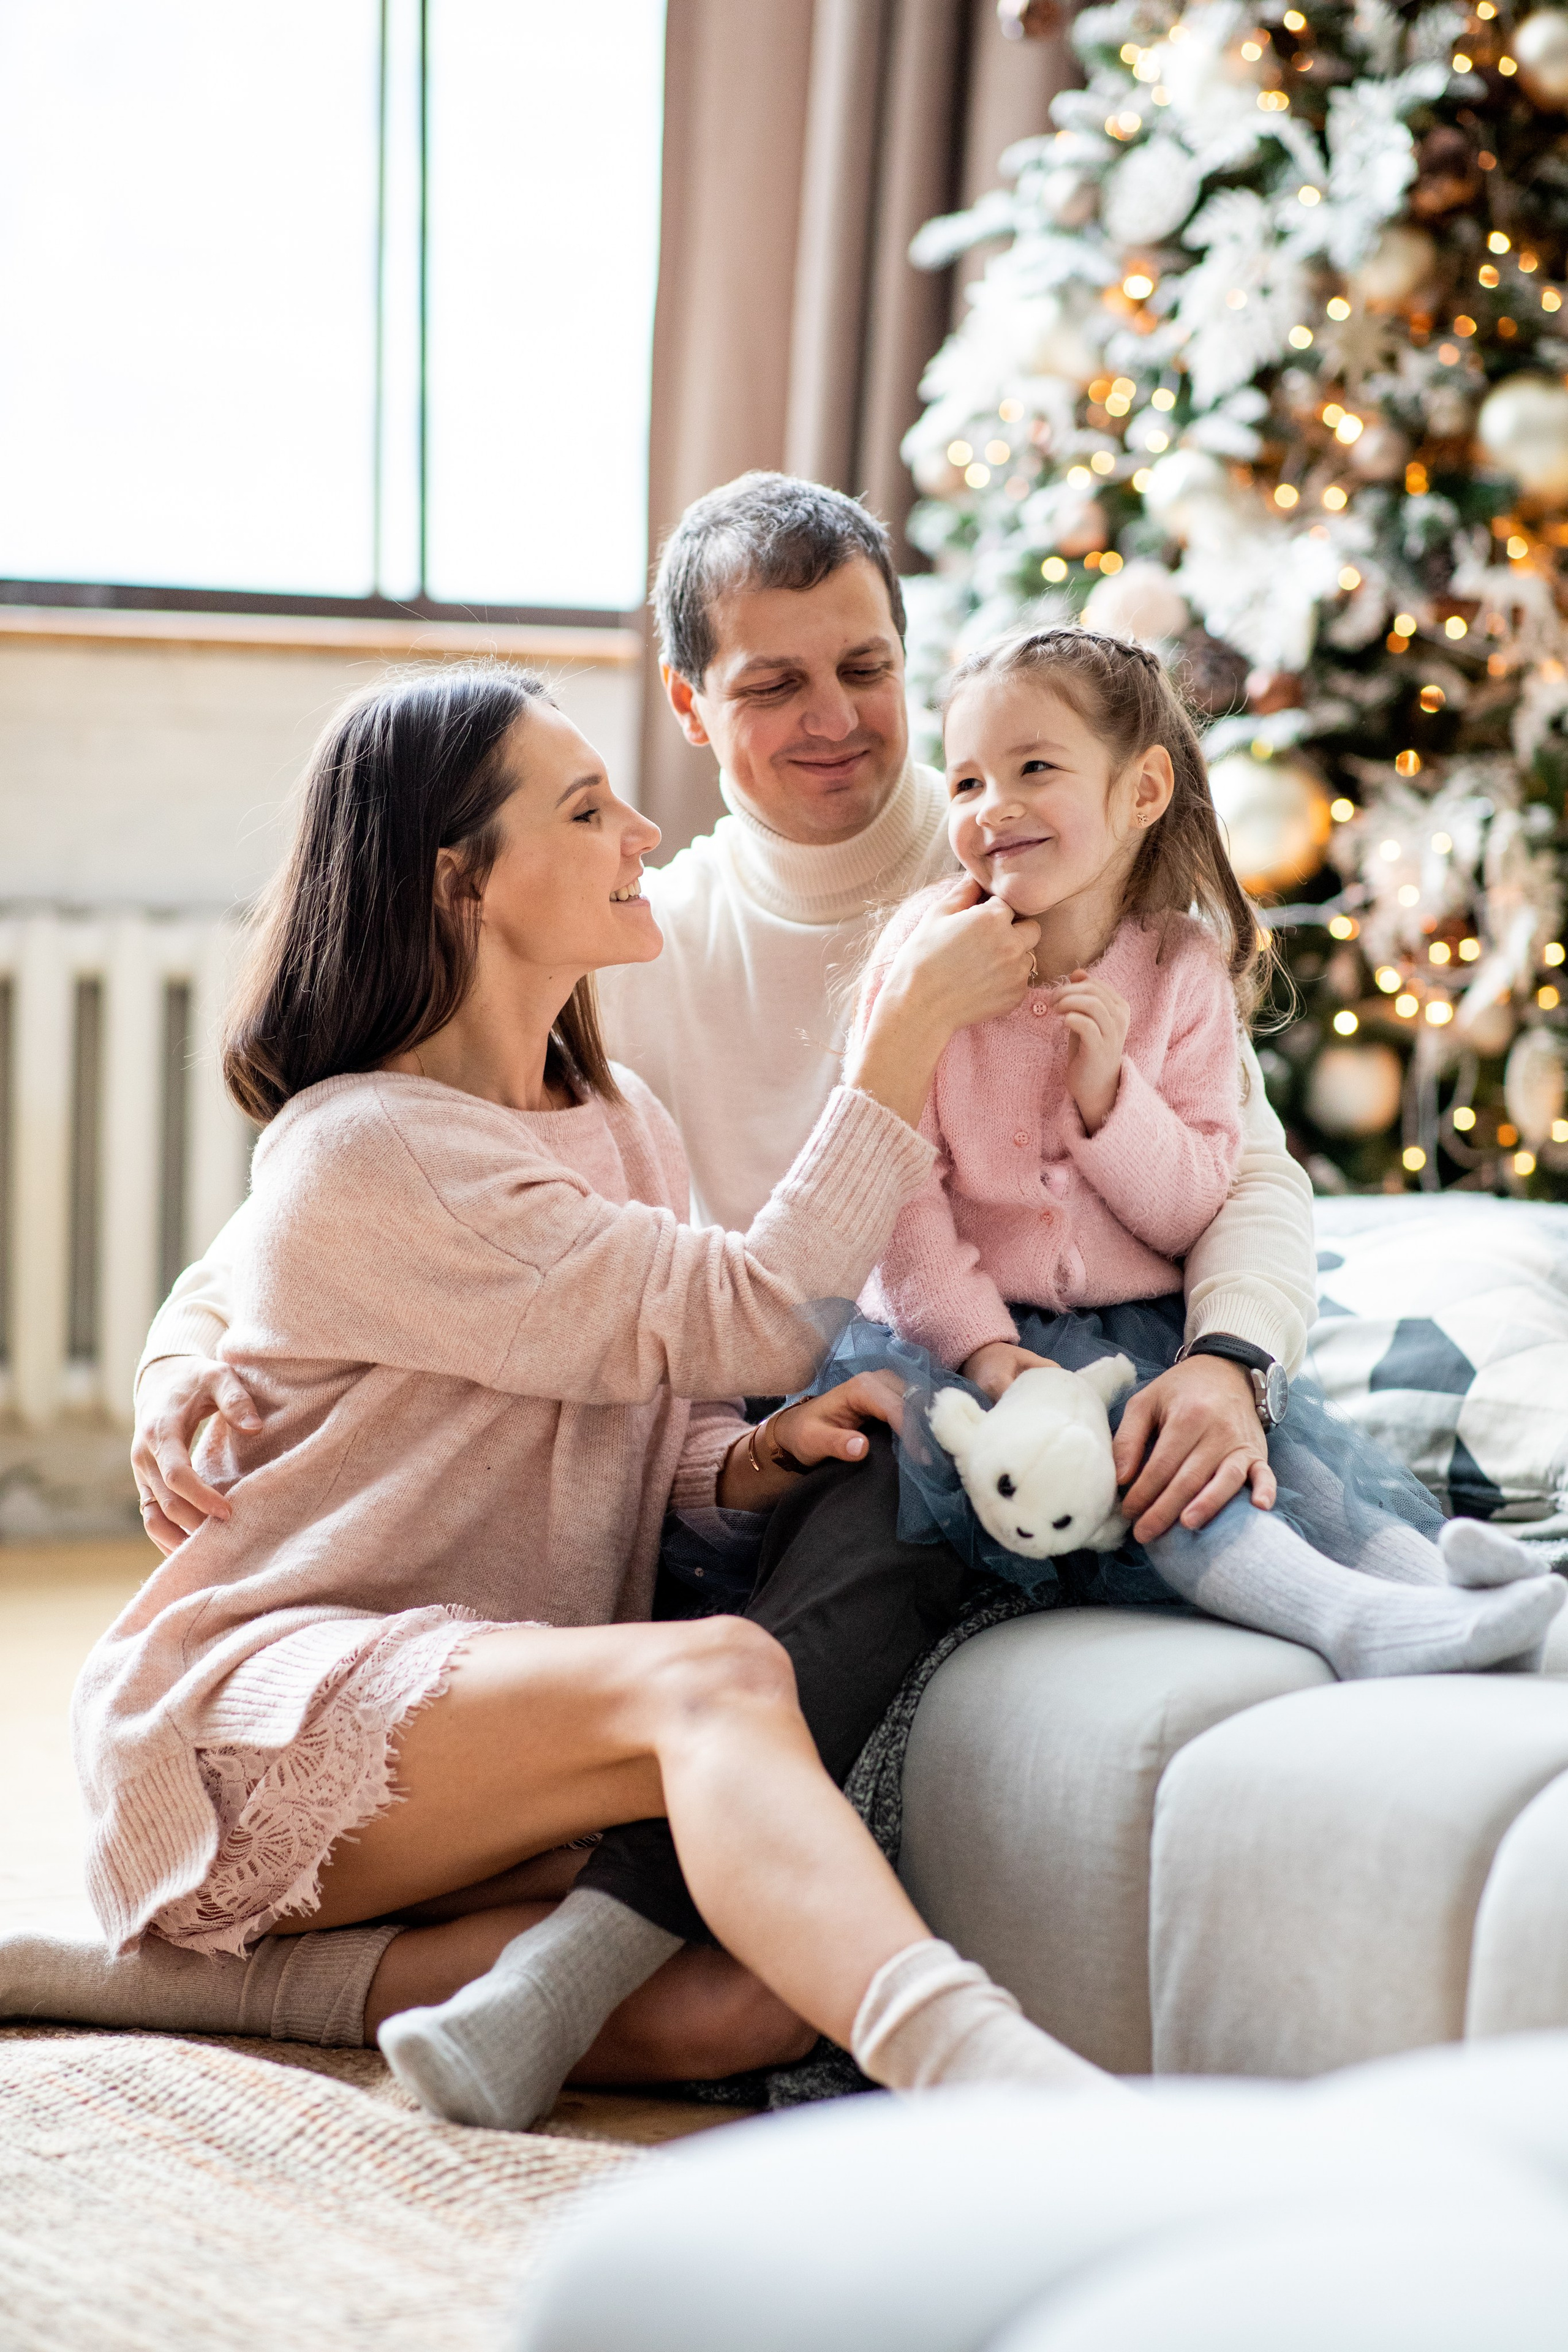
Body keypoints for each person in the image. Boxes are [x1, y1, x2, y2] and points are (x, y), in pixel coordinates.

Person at [50, 663, 1138, 2128]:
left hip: (501, 1708)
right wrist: (902, 1035)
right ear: (462, 882)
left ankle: (184, 1983)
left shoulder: (622, 1126)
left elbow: (645, 1426)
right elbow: (754, 1312)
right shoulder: (368, 1147)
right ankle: (1008, 2095)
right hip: (269, 1707)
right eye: (583, 806)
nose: (639, 829)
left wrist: (746, 1462)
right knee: (724, 1680)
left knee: (746, 1998)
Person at [134, 474, 1317, 1570]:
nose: (836, 720)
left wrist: (1230, 1362)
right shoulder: (633, 940)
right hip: (812, 1388)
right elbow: (369, 1181)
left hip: (1082, 1347)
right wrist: (183, 1348)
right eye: (772, 686)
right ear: (689, 706)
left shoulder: (1049, 865)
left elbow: (1246, 1175)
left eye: (866, 670)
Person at [837, 625, 1564, 1675]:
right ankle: (1349, 1623)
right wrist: (985, 1349)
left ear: (1142, 792)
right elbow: (897, 1201)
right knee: (1152, 1470)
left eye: (1034, 768)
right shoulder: (923, 960)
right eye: (963, 781)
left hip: (1145, 1322)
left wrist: (1109, 1099)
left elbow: (1195, 1210)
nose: (991, 806)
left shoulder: (1183, 967)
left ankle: (1444, 1588)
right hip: (966, 1339)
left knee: (1287, 1461)